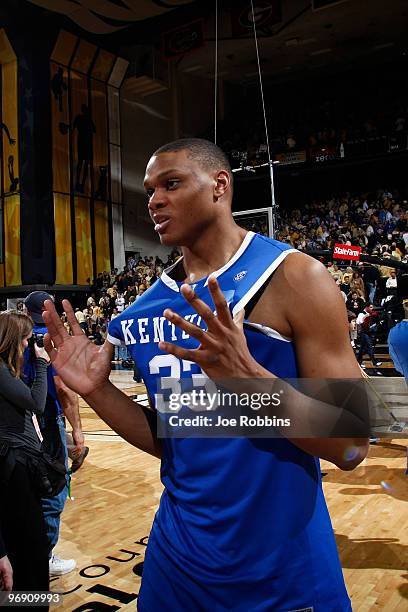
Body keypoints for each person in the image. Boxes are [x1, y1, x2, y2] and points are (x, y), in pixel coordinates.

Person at [43, 138, 369, 612]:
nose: (154, 200)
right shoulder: (148, 309)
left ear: (220, 186)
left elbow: (352, 443)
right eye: (150, 190)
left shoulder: (296, 278)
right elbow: (172, 439)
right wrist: (97, 391)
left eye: (171, 184)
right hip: (175, 563)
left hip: (280, 570)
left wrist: (250, 381)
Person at [24, 291, 85, 576]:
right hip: (47, 422)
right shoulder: (51, 341)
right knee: (54, 490)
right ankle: (44, 557)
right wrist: (78, 430)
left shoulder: (14, 336)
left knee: (27, 490)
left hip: (21, 426)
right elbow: (63, 388)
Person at [0, 311, 49, 597]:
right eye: (27, 340)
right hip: (12, 467)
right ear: (14, 340)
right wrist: (41, 363)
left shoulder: (7, 370)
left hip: (17, 462)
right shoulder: (0, 371)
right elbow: (36, 402)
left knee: (27, 541)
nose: (29, 345)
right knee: (29, 544)